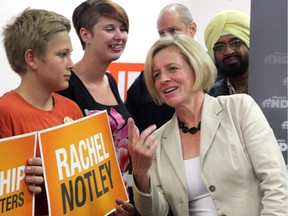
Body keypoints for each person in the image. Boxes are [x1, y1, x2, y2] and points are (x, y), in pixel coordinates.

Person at [128, 34, 287, 215]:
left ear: (196, 67)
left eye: (172, 69)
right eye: (156, 75)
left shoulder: (239, 109)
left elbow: (276, 184)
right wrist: (141, 173)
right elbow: (156, 213)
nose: (163, 79)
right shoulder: (157, 141)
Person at [0, 8, 83, 215]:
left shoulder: (71, 110)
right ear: (32, 58)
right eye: (62, 54)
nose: (71, 64)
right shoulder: (5, 112)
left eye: (70, 54)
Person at [57, 0, 137, 215]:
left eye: (123, 29)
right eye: (109, 29)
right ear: (85, 35)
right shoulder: (65, 85)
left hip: (119, 203)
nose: (119, 36)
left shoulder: (110, 81)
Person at [125, 3, 197, 132]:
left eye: (173, 30)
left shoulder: (216, 74)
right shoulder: (144, 82)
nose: (167, 38)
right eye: (162, 33)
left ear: (192, 29)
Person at [205, 10, 250, 96]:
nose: (228, 52)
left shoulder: (276, 90)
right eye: (219, 47)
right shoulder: (210, 99)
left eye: (236, 43)